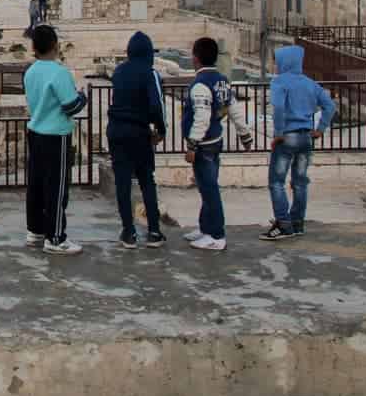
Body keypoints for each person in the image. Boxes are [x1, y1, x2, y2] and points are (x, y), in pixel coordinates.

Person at [260, 46, 337, 242]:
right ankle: (297, 223)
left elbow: (278, 108)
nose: (276, 66)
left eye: (277, 62)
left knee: (276, 182)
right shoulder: (310, 84)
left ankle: (283, 224)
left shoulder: (279, 82)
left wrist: (278, 133)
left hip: (287, 136)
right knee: (300, 182)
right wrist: (320, 129)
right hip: (305, 138)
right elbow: (330, 105)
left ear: (285, 62)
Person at [180, 37, 249, 251]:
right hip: (215, 141)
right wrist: (245, 134)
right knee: (206, 187)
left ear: (195, 58)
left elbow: (202, 116)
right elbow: (234, 107)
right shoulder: (221, 80)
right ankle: (205, 228)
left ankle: (216, 235)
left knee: (210, 190)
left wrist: (192, 145)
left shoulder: (200, 85)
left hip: (204, 145)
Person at [24, 24, 88, 255]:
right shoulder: (59, 73)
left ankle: (35, 231)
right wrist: (83, 97)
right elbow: (71, 106)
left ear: (34, 47)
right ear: (55, 45)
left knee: (37, 184)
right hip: (56, 136)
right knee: (57, 187)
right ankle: (56, 237)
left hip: (36, 132)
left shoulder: (30, 72)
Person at [106, 31, 167, 249]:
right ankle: (153, 231)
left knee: (122, 182)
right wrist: (161, 130)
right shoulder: (151, 74)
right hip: (138, 132)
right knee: (146, 181)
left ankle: (128, 232)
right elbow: (156, 105)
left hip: (116, 130)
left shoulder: (119, 72)